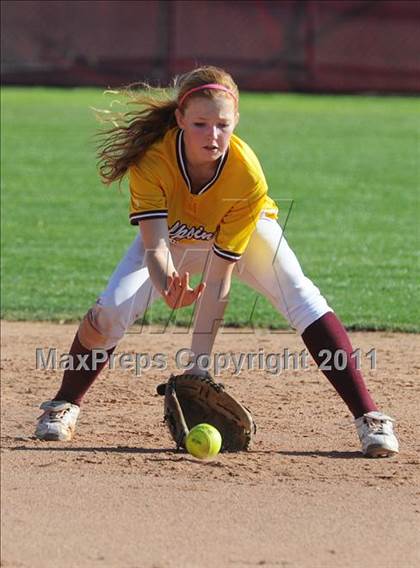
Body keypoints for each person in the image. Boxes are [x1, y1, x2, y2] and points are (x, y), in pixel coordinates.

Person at [35, 66, 398, 458]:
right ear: (179, 119)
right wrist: (167, 284)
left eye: (222, 125)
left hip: (247, 231)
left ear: (236, 120)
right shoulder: (153, 159)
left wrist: (198, 366)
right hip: (174, 237)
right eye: (200, 124)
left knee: (299, 293)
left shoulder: (246, 174)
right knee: (109, 312)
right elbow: (154, 246)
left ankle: (370, 416)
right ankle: (63, 405)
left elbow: (220, 274)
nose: (212, 135)